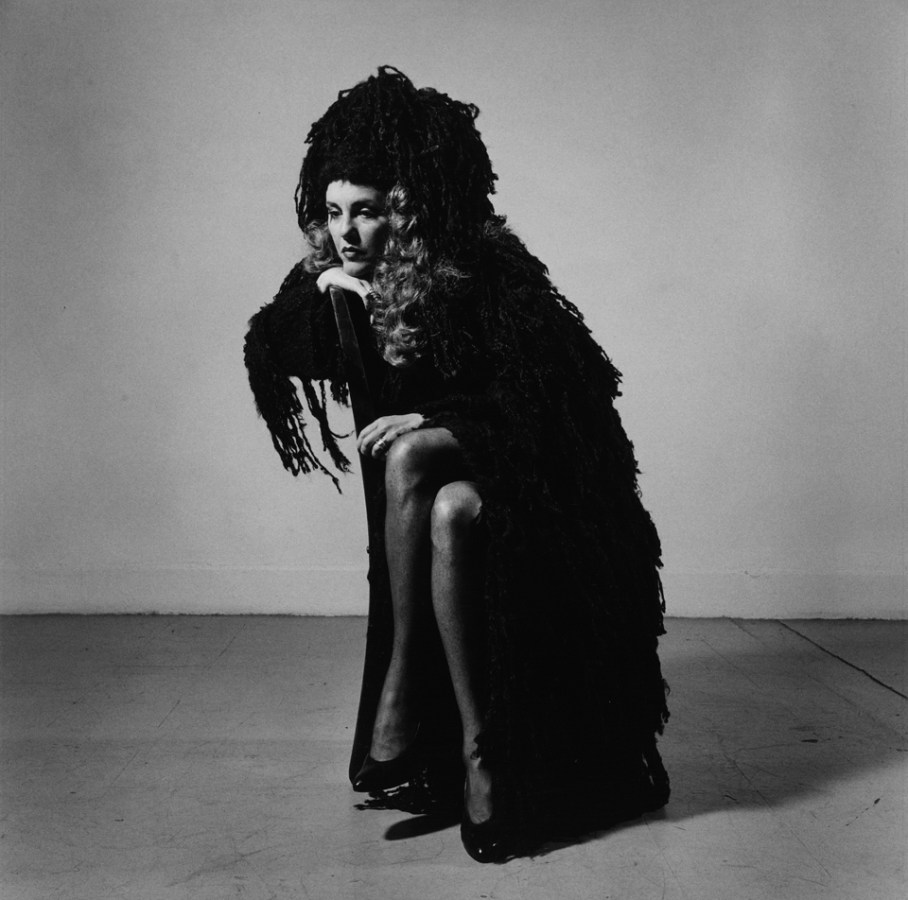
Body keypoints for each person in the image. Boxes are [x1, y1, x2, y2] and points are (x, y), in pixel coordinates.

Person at [244, 67, 669, 862]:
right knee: (444, 506)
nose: (346, 232)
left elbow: (558, 413)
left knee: (412, 452)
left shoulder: (487, 271)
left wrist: (442, 421)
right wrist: (333, 294)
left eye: (365, 213)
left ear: (403, 210)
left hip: (541, 471)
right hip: (453, 491)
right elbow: (271, 345)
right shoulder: (347, 279)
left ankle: (413, 699)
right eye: (333, 213)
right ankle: (476, 749)